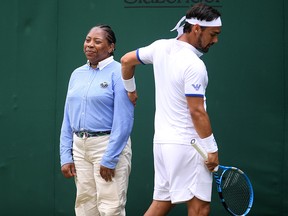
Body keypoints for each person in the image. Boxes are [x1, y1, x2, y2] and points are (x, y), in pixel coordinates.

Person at [121, 3, 222, 216]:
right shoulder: (194, 65)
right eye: (213, 34)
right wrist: (211, 149)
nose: (215, 40)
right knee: (199, 209)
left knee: (161, 204)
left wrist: (131, 90)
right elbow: (197, 112)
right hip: (189, 147)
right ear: (196, 29)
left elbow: (126, 61)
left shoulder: (160, 47)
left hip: (163, 145)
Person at [60, 25, 134, 216]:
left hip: (107, 146)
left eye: (97, 41)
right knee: (85, 206)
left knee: (111, 208)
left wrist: (110, 158)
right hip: (79, 147)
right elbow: (68, 117)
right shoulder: (77, 74)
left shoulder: (120, 72)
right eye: (87, 40)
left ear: (111, 47)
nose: (90, 45)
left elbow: (124, 120)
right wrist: (65, 155)